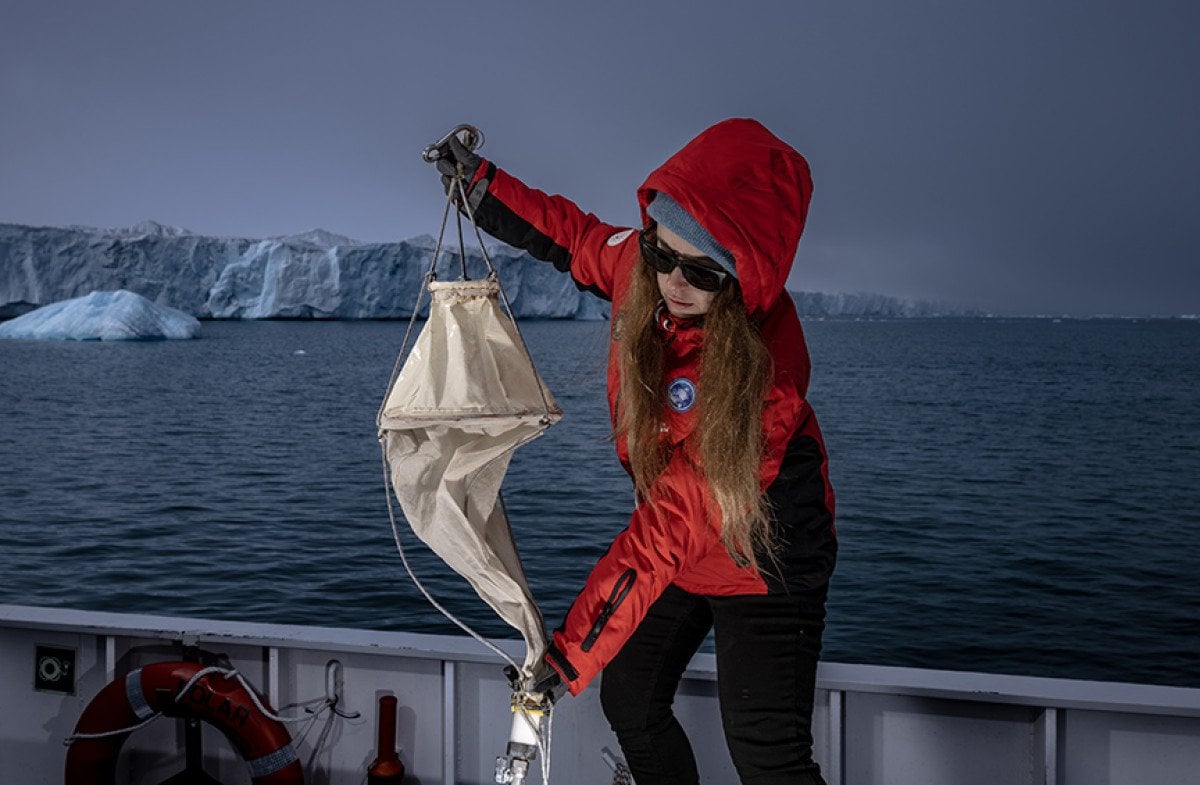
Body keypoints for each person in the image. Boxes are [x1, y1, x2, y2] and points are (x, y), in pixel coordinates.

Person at [435, 118, 836, 785]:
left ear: (745, 282)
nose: (674, 281)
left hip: (764, 556)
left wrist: (565, 659)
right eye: (661, 252)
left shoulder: (761, 390)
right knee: (631, 698)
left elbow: (665, 533)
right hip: (685, 549)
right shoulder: (645, 271)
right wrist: (479, 188)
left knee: (769, 758)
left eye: (703, 272)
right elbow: (574, 238)